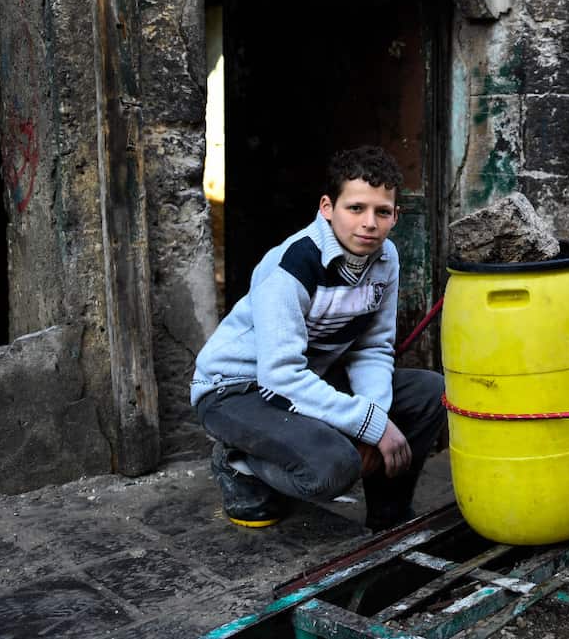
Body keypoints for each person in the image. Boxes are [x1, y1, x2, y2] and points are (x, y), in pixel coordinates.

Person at [190, 145, 445, 532]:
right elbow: (279, 374)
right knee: (332, 468)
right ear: (328, 207)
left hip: (307, 379)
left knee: (428, 391)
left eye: (382, 211)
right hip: (235, 390)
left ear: (396, 215)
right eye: (355, 208)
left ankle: (388, 516)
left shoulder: (386, 259)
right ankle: (239, 462)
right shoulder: (291, 265)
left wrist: (374, 418)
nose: (369, 223)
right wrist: (369, 425)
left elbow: (373, 347)